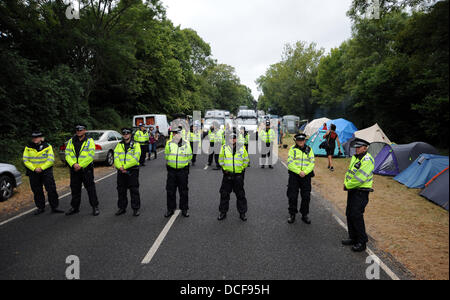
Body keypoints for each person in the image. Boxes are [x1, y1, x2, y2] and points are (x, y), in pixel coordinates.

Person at [342, 138, 374, 252]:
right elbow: (349, 173)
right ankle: (353, 237)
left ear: (365, 148)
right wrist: (347, 184)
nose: (356, 149)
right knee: (349, 213)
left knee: (356, 215)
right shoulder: (356, 158)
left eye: (359, 147)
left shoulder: (367, 159)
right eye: (356, 147)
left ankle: (362, 242)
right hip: (352, 190)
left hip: (361, 191)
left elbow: (359, 178)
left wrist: (348, 185)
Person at [23, 130, 63, 215]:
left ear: (41, 138)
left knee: (51, 189)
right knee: (37, 190)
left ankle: (54, 207)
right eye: (33, 137)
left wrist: (41, 168)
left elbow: (51, 160)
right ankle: (40, 207)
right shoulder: (28, 147)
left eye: (37, 137)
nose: (35, 139)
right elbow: (25, 160)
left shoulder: (48, 146)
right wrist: (34, 169)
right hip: (33, 172)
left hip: (46, 171)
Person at [65, 124, 100, 216]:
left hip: (86, 170)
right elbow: (67, 154)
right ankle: (75, 207)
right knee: (75, 189)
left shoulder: (89, 141)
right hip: (74, 170)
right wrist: (73, 164)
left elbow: (90, 155)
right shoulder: (70, 141)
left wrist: (80, 165)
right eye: (77, 130)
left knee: (90, 189)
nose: (79, 132)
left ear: (85, 131)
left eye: (81, 130)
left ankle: (95, 207)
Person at [217, 131, 249, 221]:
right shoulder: (224, 147)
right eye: (231, 138)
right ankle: (223, 212)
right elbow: (221, 159)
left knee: (240, 195)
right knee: (224, 194)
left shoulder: (242, 148)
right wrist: (224, 168)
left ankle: (242, 213)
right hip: (227, 175)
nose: (233, 140)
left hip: (238, 176)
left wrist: (241, 169)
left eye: (234, 138)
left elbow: (246, 160)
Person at [286, 133, 315, 224]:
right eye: (299, 140)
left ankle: (304, 215)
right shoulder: (292, 150)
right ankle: (292, 214)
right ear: (296, 141)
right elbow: (290, 163)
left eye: (302, 140)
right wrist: (299, 172)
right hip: (294, 176)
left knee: (306, 196)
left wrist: (305, 172)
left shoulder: (309, 150)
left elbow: (312, 163)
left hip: (306, 176)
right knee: (293, 196)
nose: (301, 141)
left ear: (305, 140)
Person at [164, 128, 192, 218]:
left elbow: (189, 156)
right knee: (170, 191)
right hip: (172, 171)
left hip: (182, 171)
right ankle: (170, 209)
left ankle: (184, 209)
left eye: (177, 133)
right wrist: (171, 163)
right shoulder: (169, 143)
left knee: (183, 191)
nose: (175, 134)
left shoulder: (186, 143)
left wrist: (183, 165)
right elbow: (166, 155)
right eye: (174, 133)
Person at [114, 128, 142, 217]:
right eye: (124, 133)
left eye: (127, 133)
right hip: (121, 171)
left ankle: (135, 208)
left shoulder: (136, 144)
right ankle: (122, 208)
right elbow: (116, 157)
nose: (125, 135)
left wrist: (125, 167)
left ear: (130, 134)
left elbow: (136, 158)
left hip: (132, 171)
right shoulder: (119, 145)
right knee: (121, 190)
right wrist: (120, 167)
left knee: (134, 190)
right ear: (122, 135)